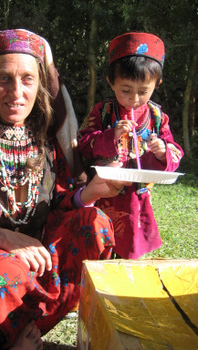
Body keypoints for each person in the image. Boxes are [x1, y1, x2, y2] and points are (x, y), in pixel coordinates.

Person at [0, 29, 129, 350]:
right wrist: (2, 237)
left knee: (95, 226)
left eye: (27, 79)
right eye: (4, 79)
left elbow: (63, 205)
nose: (15, 92)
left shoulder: (46, 143)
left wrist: (94, 190)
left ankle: (10, 329)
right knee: (7, 269)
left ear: (40, 86)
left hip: (33, 261)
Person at [78, 32, 184, 260]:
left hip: (137, 197)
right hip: (102, 191)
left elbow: (175, 150)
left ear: (157, 84)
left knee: (130, 249)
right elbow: (84, 144)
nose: (134, 99)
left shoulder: (157, 117)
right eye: (125, 90)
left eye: (143, 91)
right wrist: (110, 136)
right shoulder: (102, 111)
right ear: (110, 82)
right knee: (97, 244)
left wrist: (163, 152)